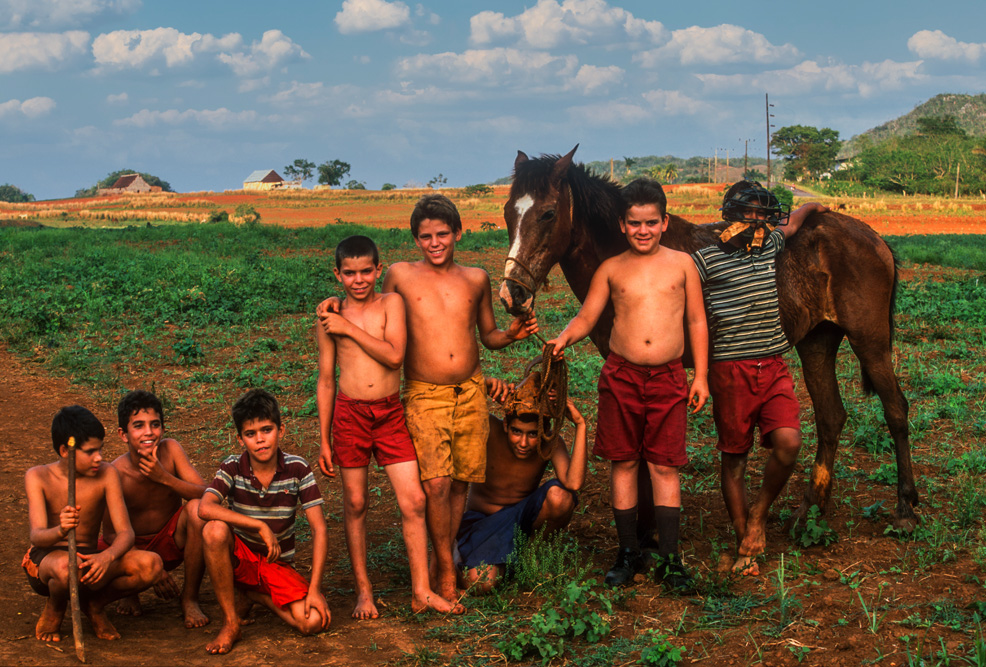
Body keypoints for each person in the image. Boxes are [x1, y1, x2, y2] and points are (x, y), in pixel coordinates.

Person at [317, 194, 538, 606]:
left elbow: (488, 336)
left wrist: (511, 334)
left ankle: (442, 561)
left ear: (458, 233)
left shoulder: (476, 279)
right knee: (435, 484)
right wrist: (335, 305)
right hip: (423, 391)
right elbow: (372, 308)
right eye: (425, 236)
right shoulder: (399, 276)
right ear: (415, 239)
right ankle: (446, 571)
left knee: (459, 484)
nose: (434, 243)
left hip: (469, 390)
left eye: (442, 234)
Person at [547, 177, 709, 591]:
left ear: (664, 222)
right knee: (624, 463)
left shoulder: (682, 265)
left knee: (664, 465)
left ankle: (670, 558)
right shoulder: (612, 268)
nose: (643, 230)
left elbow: (696, 321)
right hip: (622, 376)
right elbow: (587, 317)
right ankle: (627, 552)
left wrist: (701, 376)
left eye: (651, 222)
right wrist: (564, 337)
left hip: (669, 376)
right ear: (622, 224)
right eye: (634, 223)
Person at [316, 235, 461, 619]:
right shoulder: (328, 319)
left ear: (378, 270)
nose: (359, 280)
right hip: (350, 415)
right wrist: (324, 439)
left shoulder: (390, 304)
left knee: (414, 500)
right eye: (350, 273)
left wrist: (348, 328)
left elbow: (395, 356)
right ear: (338, 274)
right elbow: (326, 380)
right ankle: (364, 591)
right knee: (355, 503)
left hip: (389, 413)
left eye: (366, 271)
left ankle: (421, 590)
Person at [692, 181, 829, 576]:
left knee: (789, 443)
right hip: (729, 371)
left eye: (762, 213)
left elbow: (791, 224)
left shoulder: (769, 245)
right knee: (734, 458)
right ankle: (744, 538)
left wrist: (811, 207)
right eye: (748, 212)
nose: (757, 220)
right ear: (730, 215)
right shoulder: (705, 259)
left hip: (772, 365)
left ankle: (759, 513)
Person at [198, 389, 329, 655]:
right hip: (239, 560)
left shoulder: (298, 468)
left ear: (281, 430)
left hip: (275, 563)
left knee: (312, 622)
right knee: (214, 530)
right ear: (240, 439)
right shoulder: (232, 467)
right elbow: (205, 507)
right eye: (250, 433)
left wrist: (315, 589)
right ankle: (231, 622)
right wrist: (259, 526)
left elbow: (319, 529)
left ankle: (255, 596)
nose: (260, 439)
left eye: (267, 430)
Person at [23, 405, 163, 643]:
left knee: (151, 564)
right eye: (90, 452)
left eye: (100, 449)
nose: (99, 457)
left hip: (90, 561)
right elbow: (36, 536)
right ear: (65, 451)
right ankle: (56, 606)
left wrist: (106, 557)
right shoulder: (38, 477)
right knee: (68, 567)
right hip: (49, 562)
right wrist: (60, 530)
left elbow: (125, 533)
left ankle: (95, 604)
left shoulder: (107, 474)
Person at [456, 374, 587, 593]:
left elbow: (573, 483)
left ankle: (529, 555)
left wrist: (580, 424)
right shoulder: (488, 428)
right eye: (517, 432)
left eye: (533, 434)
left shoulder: (550, 443)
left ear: (544, 430)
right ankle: (503, 563)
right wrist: (481, 385)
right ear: (506, 424)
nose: (524, 443)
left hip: (521, 520)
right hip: (482, 521)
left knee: (561, 496)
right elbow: (454, 402)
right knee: (481, 583)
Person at [102, 389, 209, 627]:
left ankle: (189, 597)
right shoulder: (115, 473)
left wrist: (165, 478)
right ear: (123, 434)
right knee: (101, 556)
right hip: (133, 549)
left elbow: (207, 494)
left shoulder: (170, 451)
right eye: (138, 426)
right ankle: (130, 592)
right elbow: (110, 534)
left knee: (198, 511)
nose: (149, 432)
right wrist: (150, 565)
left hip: (171, 540)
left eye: (155, 424)